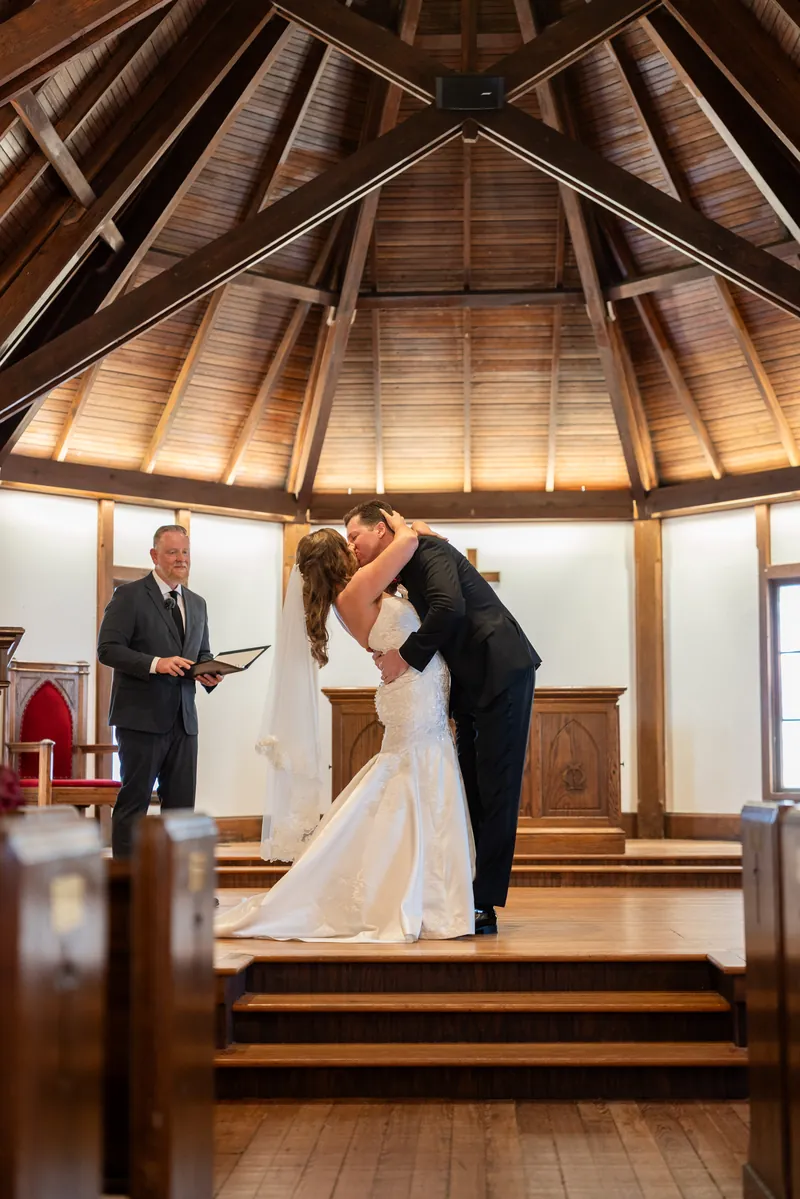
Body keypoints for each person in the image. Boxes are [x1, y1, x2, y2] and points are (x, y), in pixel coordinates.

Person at [214, 510, 475, 942]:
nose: (355, 546)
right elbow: (406, 543)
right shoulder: (355, 590)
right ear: (337, 559)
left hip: (415, 690)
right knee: (412, 778)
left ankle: (429, 894)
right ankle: (422, 896)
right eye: (347, 542)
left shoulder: (354, 595)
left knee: (415, 777)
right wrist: (404, 522)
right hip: (412, 696)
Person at [345, 501, 540, 935]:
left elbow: (448, 608)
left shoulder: (427, 551)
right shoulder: (406, 558)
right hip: (471, 684)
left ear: (381, 529)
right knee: (472, 785)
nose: (351, 547)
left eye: (354, 537)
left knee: (497, 787)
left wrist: (405, 658)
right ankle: (465, 890)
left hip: (500, 671)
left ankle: (484, 902)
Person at [97, 524, 222, 858]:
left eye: (185, 552)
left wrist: (209, 672)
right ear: (154, 555)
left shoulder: (197, 603)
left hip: (184, 720)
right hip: (140, 719)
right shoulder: (129, 596)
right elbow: (107, 649)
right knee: (134, 802)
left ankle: (176, 888)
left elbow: (202, 653)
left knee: (181, 811)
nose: (180, 559)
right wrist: (156, 663)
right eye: (172, 552)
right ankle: (126, 885)